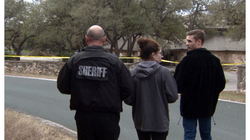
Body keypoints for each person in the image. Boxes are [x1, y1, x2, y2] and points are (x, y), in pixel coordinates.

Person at [57, 25, 133, 140]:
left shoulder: (74, 60)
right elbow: (128, 88)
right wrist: (113, 96)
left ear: (87, 38)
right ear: (104, 39)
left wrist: (78, 90)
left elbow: (62, 86)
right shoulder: (115, 62)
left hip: (84, 115)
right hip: (109, 115)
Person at [174, 29, 226, 140]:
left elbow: (177, 84)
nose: (187, 44)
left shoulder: (186, 61)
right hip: (207, 105)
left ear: (199, 41)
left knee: (189, 135)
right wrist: (211, 93)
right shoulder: (214, 61)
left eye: (189, 41)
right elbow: (221, 83)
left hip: (189, 106)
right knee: (206, 135)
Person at [125, 37, 178, 140]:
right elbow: (173, 96)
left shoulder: (132, 74)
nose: (161, 56)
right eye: (160, 53)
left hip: (141, 120)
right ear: (153, 55)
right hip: (160, 120)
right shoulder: (164, 72)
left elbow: (128, 98)